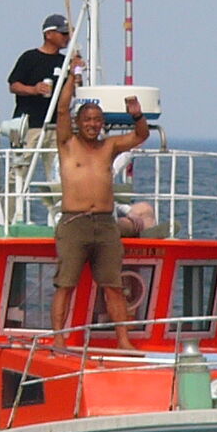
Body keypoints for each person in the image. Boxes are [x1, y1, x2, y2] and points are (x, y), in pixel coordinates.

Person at [49, 69, 151, 351]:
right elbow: (61, 109)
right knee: (65, 284)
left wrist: (137, 115)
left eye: (97, 120)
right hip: (74, 222)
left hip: (106, 224)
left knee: (114, 285)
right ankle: (59, 338)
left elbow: (140, 135)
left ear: (102, 123)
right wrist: (72, 79)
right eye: (87, 120)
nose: (92, 124)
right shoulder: (67, 144)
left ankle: (123, 340)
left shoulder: (110, 146)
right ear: (78, 123)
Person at [6, 15, 73, 131]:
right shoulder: (30, 57)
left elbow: (74, 91)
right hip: (31, 125)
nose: (67, 37)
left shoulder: (66, 62)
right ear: (48, 34)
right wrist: (34, 90)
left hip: (56, 126)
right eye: (63, 34)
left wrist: (75, 74)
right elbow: (14, 86)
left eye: (68, 34)